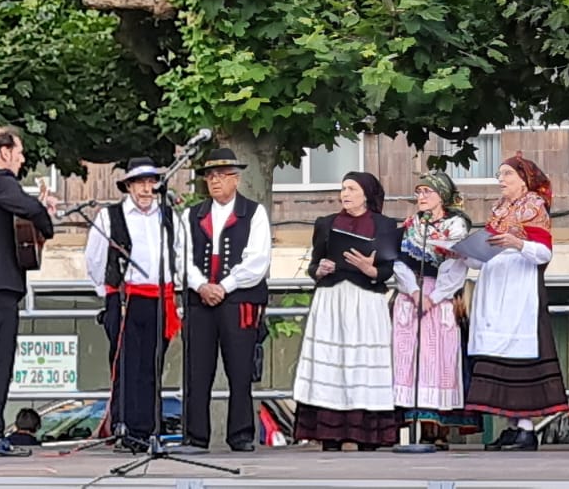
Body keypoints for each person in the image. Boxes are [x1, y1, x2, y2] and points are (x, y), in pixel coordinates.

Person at [463, 153, 569, 451]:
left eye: (508, 174)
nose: (501, 179)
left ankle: (526, 428)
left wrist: (517, 243)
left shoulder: (534, 206)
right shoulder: (498, 208)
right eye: (500, 174)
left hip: (519, 287)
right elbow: (482, 256)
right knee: (496, 353)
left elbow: (544, 253)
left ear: (524, 180)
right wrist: (462, 254)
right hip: (494, 284)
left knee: (518, 354)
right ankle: (511, 427)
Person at [0, 126, 57, 457]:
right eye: (18, 153)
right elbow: (30, 211)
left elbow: (17, 218)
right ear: (4, 153)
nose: (21, 160)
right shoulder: (0, 181)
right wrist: (47, 220)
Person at [293, 172, 403, 451]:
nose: (345, 194)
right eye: (343, 188)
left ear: (366, 194)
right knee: (333, 362)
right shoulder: (326, 223)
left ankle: (368, 435)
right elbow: (314, 263)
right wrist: (319, 270)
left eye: (352, 189)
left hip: (365, 302)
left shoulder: (384, 225)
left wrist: (370, 270)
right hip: (331, 300)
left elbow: (388, 270)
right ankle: (330, 435)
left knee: (363, 362)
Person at [177, 148, 272, 454]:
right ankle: (195, 435)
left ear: (236, 178)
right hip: (199, 301)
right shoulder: (191, 214)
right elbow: (181, 257)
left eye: (221, 176)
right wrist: (201, 285)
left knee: (240, 368)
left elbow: (257, 261)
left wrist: (225, 286)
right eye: (210, 176)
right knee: (197, 370)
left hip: (238, 301)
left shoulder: (254, 212)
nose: (215, 182)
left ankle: (241, 434)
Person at [84, 157, 180, 451]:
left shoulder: (167, 215)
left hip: (159, 298)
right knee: (126, 364)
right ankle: (124, 427)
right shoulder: (110, 216)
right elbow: (95, 259)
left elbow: (178, 251)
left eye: (151, 182)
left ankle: (148, 428)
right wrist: (108, 293)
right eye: (139, 183)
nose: (146, 189)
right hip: (126, 298)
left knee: (152, 365)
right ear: (128, 187)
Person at [391, 171, 475, 449]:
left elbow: (456, 265)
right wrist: (414, 292)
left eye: (428, 191)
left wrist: (435, 296)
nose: (422, 197)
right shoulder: (412, 225)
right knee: (410, 358)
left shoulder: (456, 226)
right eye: (419, 192)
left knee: (437, 358)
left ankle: (437, 430)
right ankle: (415, 425)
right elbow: (398, 260)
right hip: (412, 295)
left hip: (440, 298)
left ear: (442, 196)